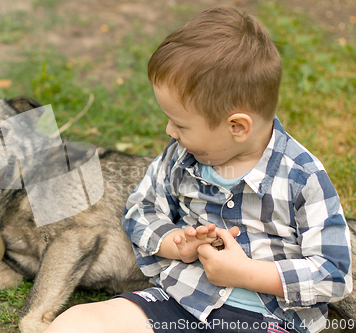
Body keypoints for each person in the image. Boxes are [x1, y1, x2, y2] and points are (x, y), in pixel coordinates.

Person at [43, 5, 352, 333]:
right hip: (179, 300)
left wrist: (244, 273)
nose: (169, 132)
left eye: (180, 124)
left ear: (237, 127)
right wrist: (175, 241)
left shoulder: (302, 178)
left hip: (268, 320)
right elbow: (140, 209)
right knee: (77, 323)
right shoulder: (179, 157)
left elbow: (333, 274)